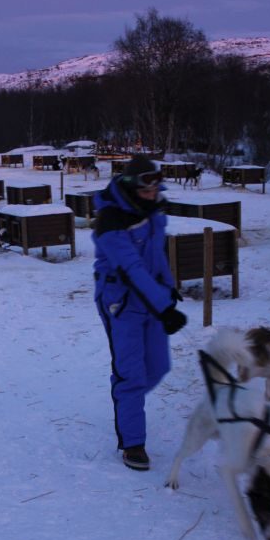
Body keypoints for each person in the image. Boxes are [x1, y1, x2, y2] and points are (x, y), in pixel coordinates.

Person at [92, 155, 187, 471]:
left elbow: (158, 255)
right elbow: (131, 268)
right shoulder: (110, 220)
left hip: (152, 296)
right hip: (121, 302)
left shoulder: (154, 209)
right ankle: (133, 443)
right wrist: (164, 308)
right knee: (131, 373)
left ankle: (126, 398)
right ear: (133, 187)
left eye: (156, 187)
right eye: (147, 188)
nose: (153, 193)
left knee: (159, 367)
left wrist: (169, 289)